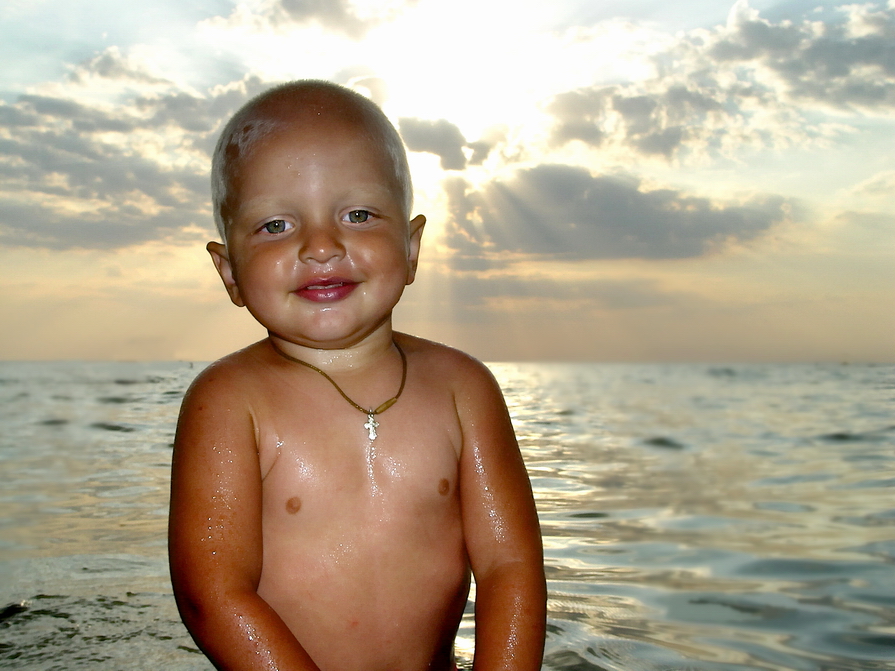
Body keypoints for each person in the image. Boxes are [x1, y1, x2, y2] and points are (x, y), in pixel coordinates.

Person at [168, 80, 546, 671]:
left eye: (358, 214)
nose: (322, 245)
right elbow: (212, 596)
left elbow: (510, 567)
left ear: (412, 245)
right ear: (229, 272)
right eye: (275, 226)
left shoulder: (463, 389)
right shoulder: (228, 402)